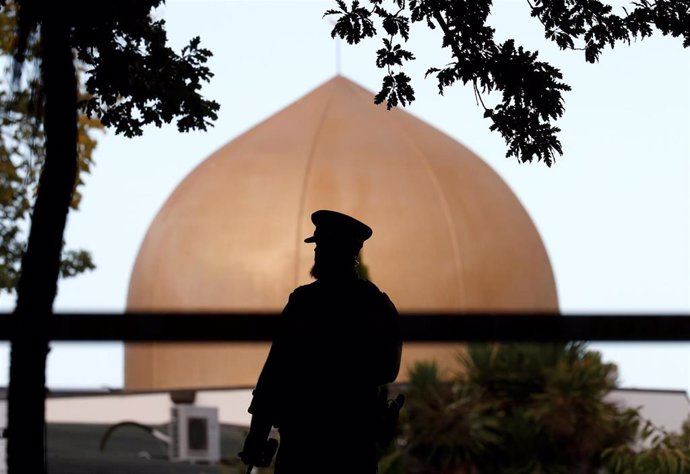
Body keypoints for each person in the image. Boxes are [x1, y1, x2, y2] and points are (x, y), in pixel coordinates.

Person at [239, 210, 402, 473]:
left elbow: (275, 374)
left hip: (305, 444)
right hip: (352, 446)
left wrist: (258, 434)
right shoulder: (375, 304)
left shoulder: (304, 303)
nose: (316, 253)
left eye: (322, 247)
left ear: (340, 252)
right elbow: (388, 370)